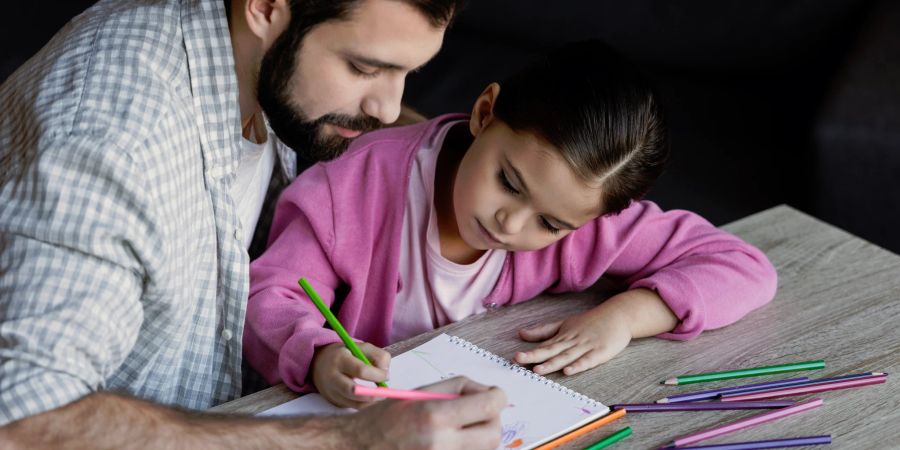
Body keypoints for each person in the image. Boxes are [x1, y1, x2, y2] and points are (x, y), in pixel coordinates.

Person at [0, 0, 508, 447]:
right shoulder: (111, 146)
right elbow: (20, 421)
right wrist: (349, 441)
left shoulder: (268, 69)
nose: (388, 107)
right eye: (362, 67)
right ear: (265, 7)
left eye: (408, 72)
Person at [244, 40, 779, 408]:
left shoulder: (584, 220)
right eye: (509, 182)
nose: (508, 223)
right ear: (484, 111)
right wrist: (318, 356)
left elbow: (743, 267)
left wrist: (627, 316)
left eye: (548, 224)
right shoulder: (352, 187)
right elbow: (268, 296)